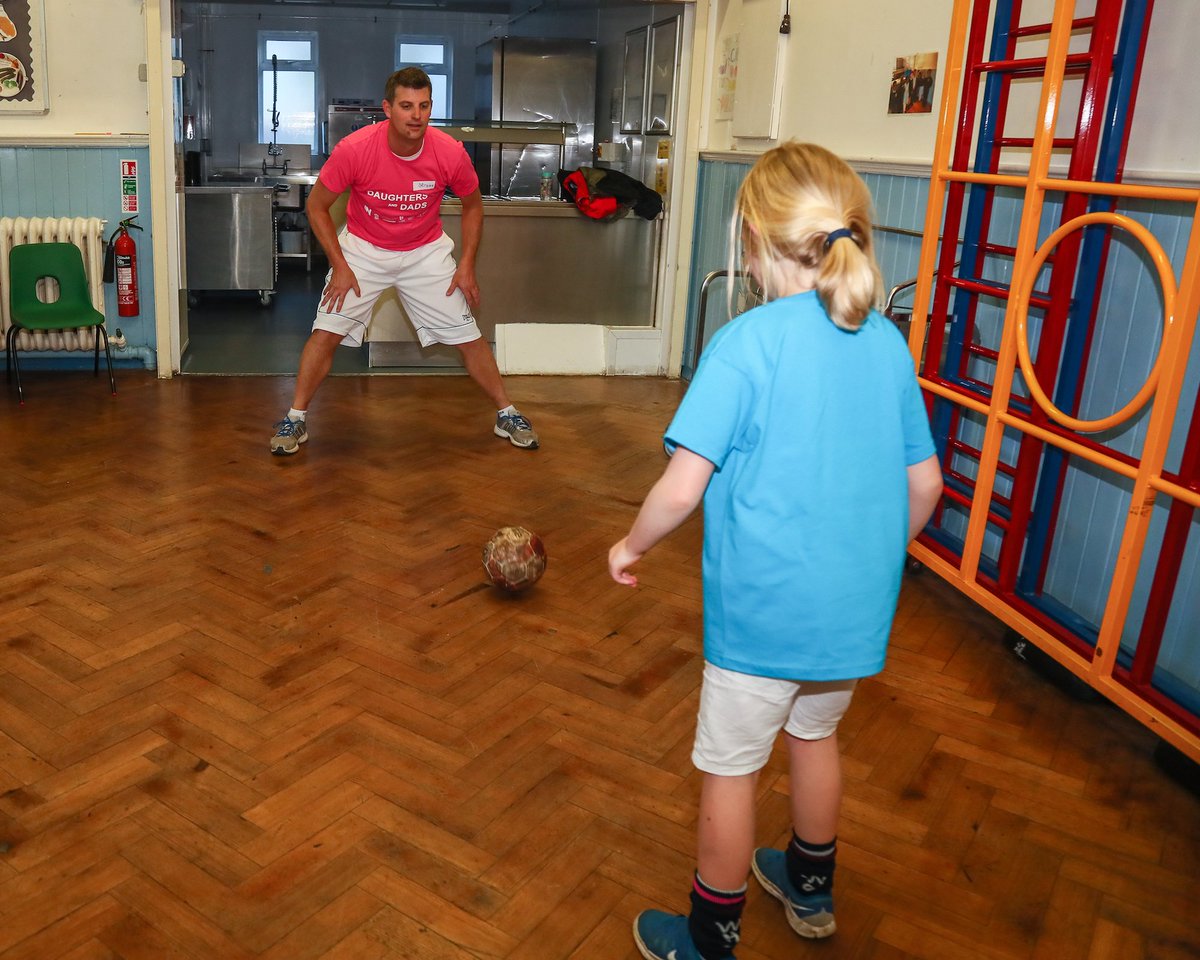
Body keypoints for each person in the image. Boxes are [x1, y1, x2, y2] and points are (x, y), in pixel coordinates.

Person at [607, 142, 944, 960]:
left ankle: (708, 938)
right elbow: (927, 485)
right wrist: (874, 556)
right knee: (815, 740)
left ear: (752, 242)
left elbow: (682, 489)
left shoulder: (745, 344)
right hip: (851, 615)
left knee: (730, 768)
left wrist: (630, 541)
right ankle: (810, 887)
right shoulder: (888, 344)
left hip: (762, 617)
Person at [269, 67, 539, 455]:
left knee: (469, 337)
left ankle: (507, 412)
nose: (416, 115)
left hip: (424, 252)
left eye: (424, 106)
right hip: (363, 250)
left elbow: (473, 205)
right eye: (407, 106)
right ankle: (294, 418)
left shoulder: (448, 151)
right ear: (387, 109)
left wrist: (465, 265)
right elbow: (316, 207)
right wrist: (341, 265)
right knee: (325, 332)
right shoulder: (356, 149)